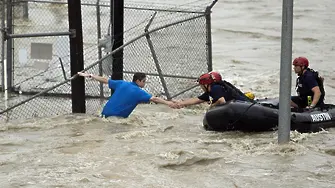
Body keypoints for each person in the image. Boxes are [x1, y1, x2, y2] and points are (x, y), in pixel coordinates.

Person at [77, 72, 175, 118]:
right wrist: (168, 103)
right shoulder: (139, 92)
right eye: (144, 81)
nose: (145, 83)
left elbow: (105, 80)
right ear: (138, 81)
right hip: (116, 119)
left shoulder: (121, 83)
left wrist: (90, 75)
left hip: (104, 114)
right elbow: (154, 99)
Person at [170, 71, 254, 109]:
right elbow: (195, 100)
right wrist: (179, 103)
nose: (201, 87)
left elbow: (222, 101)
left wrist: (212, 106)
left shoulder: (215, 88)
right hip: (245, 106)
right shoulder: (217, 89)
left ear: (206, 84)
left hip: (246, 107)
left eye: (201, 85)